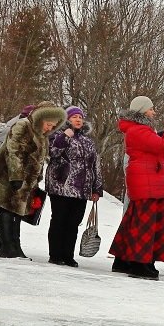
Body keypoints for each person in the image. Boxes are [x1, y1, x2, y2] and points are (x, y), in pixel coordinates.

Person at [110, 96, 164, 280]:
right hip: (146, 183)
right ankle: (140, 263)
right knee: (145, 225)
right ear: (142, 111)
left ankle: (124, 260)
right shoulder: (138, 130)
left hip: (147, 181)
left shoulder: (139, 130)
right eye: (151, 109)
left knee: (135, 223)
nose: (153, 112)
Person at [0, 101, 65, 259]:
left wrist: (37, 179)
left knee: (17, 211)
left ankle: (12, 245)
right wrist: (16, 175)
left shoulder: (41, 135)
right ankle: (8, 246)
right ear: (40, 118)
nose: (50, 128)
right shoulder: (23, 125)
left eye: (53, 126)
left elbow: (39, 158)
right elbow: (14, 150)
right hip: (10, 176)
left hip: (26, 180)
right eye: (48, 124)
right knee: (8, 209)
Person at [45, 106, 102, 267]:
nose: (78, 119)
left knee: (73, 224)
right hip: (61, 187)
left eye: (80, 117)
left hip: (81, 190)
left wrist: (96, 188)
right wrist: (64, 136)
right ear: (67, 119)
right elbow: (53, 153)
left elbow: (95, 164)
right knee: (59, 221)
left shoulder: (87, 141)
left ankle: (68, 255)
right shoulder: (56, 135)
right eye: (74, 116)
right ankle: (55, 254)